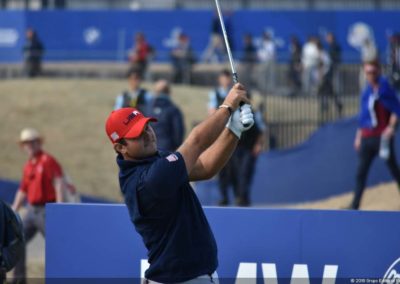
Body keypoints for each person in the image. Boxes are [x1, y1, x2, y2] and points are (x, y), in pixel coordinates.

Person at [105, 82, 254, 283]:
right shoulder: (148, 180)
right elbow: (196, 142)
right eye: (137, 135)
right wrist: (227, 107)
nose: (148, 134)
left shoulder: (155, 161)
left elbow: (205, 166)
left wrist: (233, 130)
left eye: (147, 127)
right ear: (120, 147)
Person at [11, 128, 65, 281]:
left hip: (46, 210)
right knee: (17, 240)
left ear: (38, 143)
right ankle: (18, 279)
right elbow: (23, 189)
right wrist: (14, 209)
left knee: (56, 243)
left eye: (32, 142)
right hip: (31, 210)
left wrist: (59, 205)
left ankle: (61, 277)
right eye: (26, 143)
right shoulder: (28, 165)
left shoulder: (47, 160)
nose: (30, 145)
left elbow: (58, 181)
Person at [350, 61, 400, 210]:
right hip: (367, 137)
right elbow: (363, 117)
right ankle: (354, 206)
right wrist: (358, 137)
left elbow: (395, 110)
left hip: (382, 137)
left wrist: (391, 127)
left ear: (378, 71)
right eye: (367, 72)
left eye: (372, 72)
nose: (370, 75)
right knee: (361, 172)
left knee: (394, 169)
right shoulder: (367, 92)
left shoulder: (385, 89)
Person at [147, 79, 185, 152]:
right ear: (169, 92)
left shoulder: (147, 108)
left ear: (156, 92)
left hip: (149, 151)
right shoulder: (174, 110)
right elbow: (178, 134)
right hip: (167, 151)